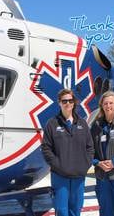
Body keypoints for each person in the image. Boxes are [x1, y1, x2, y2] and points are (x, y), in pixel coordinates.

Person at [41, 88, 94, 216]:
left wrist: (85, 166)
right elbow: (46, 148)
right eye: (64, 101)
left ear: (74, 103)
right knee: (62, 211)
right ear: (59, 103)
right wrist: (58, 165)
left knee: (75, 210)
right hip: (60, 177)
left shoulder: (82, 123)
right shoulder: (52, 124)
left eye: (70, 100)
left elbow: (90, 147)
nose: (68, 104)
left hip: (78, 176)